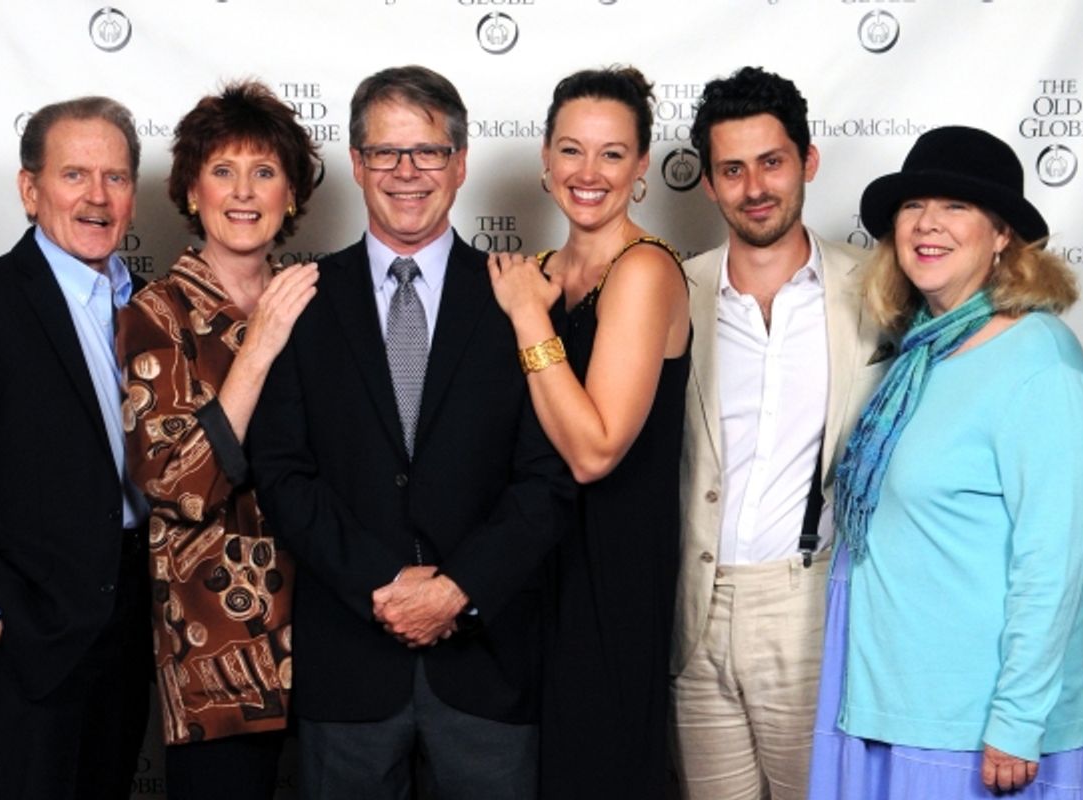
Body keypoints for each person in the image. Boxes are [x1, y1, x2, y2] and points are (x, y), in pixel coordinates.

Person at [249, 65, 573, 800]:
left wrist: (460, 588)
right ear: (357, 164)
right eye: (385, 153)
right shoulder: (303, 302)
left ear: (459, 164)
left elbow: (548, 480)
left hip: (488, 672)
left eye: (427, 151)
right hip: (349, 673)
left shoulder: (518, 297)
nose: (406, 172)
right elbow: (283, 474)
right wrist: (385, 585)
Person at [808, 125, 1083, 799]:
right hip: (888, 698)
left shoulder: (1040, 364)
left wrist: (1018, 720)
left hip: (974, 724)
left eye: (956, 207)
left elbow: (1051, 563)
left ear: (1001, 234)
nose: (928, 224)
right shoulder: (921, 354)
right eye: (914, 207)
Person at [0, 97, 151, 799]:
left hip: (139, 617)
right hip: (37, 627)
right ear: (29, 189)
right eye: (75, 174)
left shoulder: (149, 305)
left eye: (115, 177)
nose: (98, 197)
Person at [670, 66, 891, 800]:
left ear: (808, 161)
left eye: (772, 162)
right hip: (694, 608)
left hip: (811, 604)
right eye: (732, 169)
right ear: (708, 182)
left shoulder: (878, 291)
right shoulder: (674, 288)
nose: (754, 187)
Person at [486, 65, 690, 799]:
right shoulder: (536, 272)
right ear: (544, 161)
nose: (589, 172)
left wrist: (528, 317)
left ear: (641, 168)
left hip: (611, 581)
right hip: (527, 574)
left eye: (612, 154)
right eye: (571, 150)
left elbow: (594, 449)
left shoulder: (644, 271)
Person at [117, 81, 319, 800]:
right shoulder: (158, 311)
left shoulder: (316, 300)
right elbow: (176, 482)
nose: (244, 191)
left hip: (335, 635)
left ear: (291, 194)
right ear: (191, 192)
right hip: (217, 654)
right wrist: (258, 347)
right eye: (222, 171)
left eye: (264, 171)